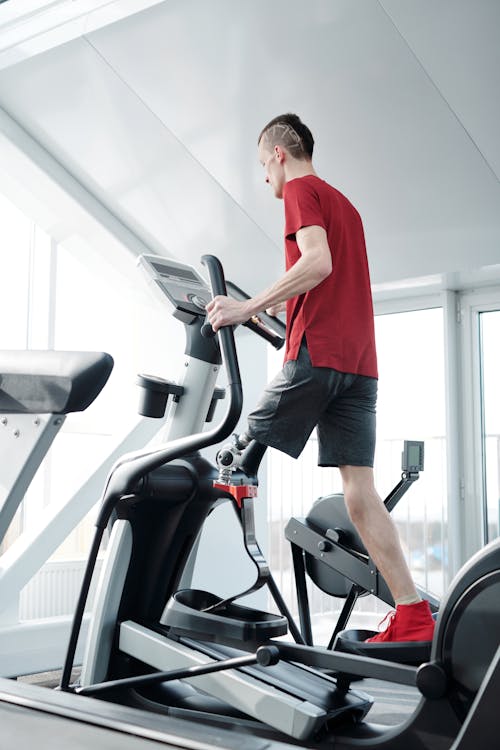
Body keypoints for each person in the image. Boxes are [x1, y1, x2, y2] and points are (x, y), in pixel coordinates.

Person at [206, 113, 435, 643]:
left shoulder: (301, 190)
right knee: (360, 493)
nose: (265, 180)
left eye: (264, 166)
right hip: (359, 365)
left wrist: (245, 307)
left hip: (320, 356)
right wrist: (277, 316)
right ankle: (412, 613)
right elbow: (326, 282)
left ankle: (198, 593)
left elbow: (318, 262)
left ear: (279, 155)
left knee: (232, 458)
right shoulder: (345, 205)